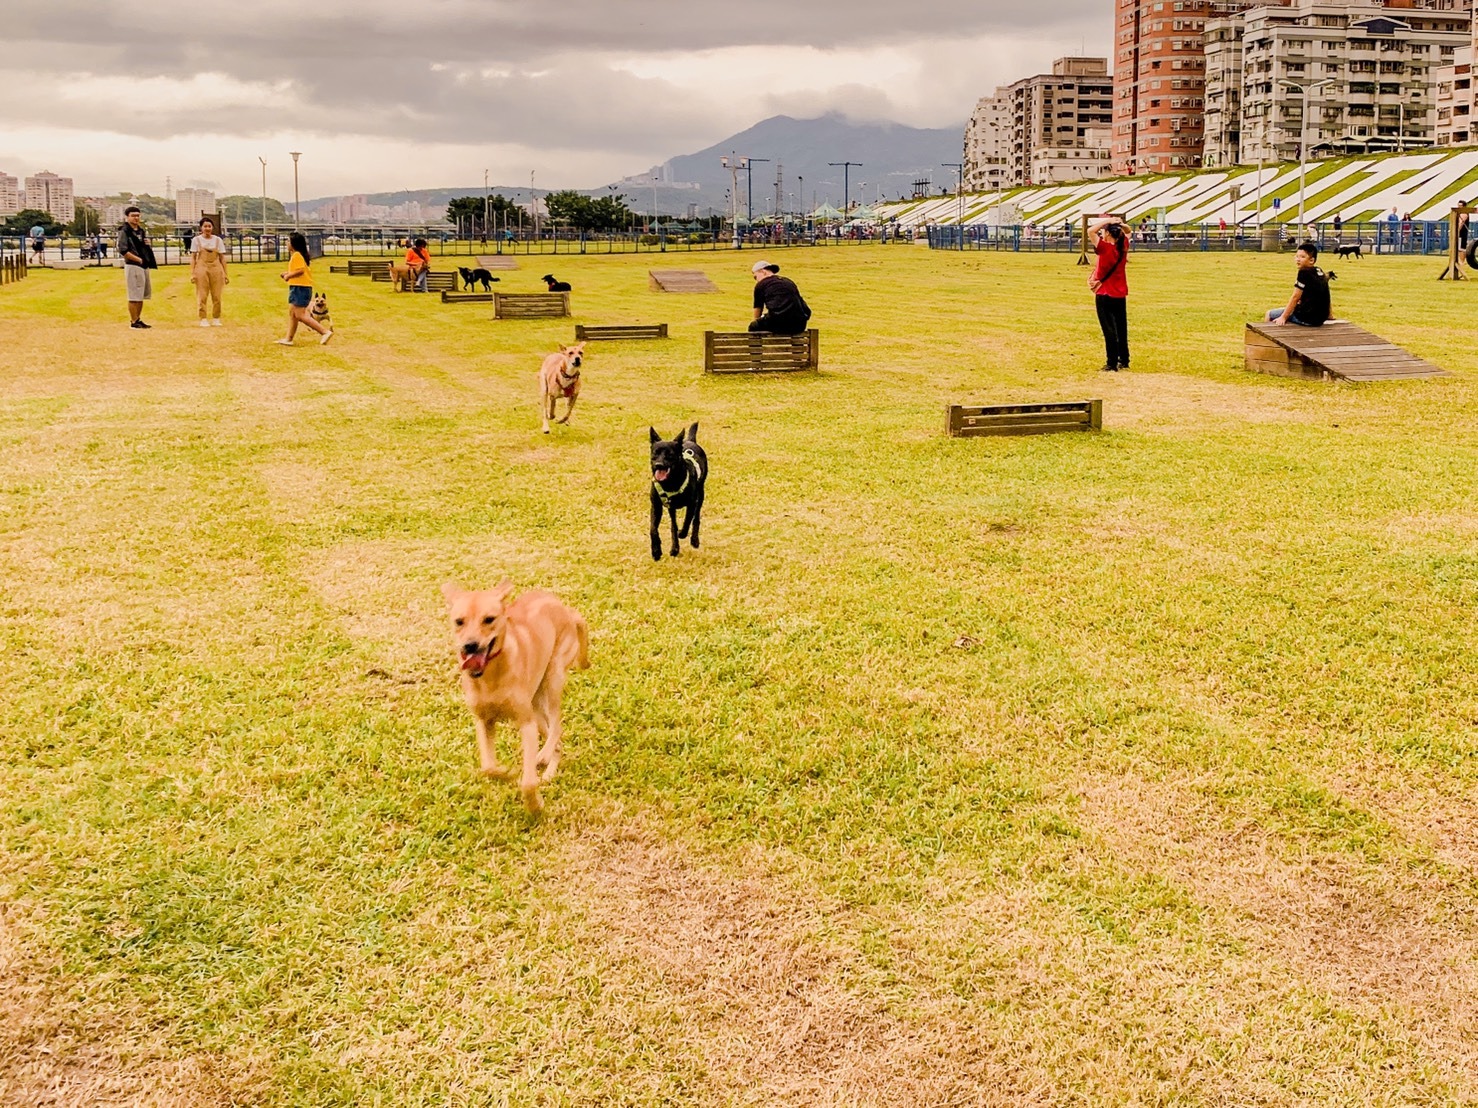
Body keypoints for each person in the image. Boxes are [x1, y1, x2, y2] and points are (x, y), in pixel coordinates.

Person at [1088, 217, 1129, 372]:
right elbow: (1128, 231)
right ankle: (1123, 359)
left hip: (1105, 293)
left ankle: (1111, 362)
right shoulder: (1122, 247)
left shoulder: (1105, 248)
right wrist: (1120, 224)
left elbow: (1090, 231)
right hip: (1120, 292)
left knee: (1109, 329)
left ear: (1107, 234)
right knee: (1121, 327)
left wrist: (1109, 221)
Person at [277, 231, 333, 346]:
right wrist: (288, 273)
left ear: (294, 243)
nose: (286, 243)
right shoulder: (297, 255)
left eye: (288, 241)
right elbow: (300, 270)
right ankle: (288, 339)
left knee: (300, 315)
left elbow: (300, 271)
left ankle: (324, 332)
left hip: (300, 288)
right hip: (298, 287)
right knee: (293, 313)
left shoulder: (297, 255)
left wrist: (288, 276)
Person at [1265, 241, 1331, 328]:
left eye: (1302, 257)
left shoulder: (1303, 272)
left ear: (1312, 260)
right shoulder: (1319, 271)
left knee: (1269, 314)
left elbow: (1295, 297)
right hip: (1320, 319)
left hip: (1306, 318)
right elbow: (1326, 294)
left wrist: (1283, 317)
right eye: (1297, 256)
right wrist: (1330, 315)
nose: (1298, 259)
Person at [117, 206, 157, 329]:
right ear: (127, 217)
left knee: (141, 294)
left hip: (143, 265)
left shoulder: (140, 231)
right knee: (134, 294)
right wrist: (138, 259)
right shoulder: (125, 231)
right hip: (133, 265)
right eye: (133, 216)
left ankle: (138, 319)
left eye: (137, 215)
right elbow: (123, 250)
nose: (136, 218)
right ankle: (133, 321)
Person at [748, 259, 810, 334]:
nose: (756, 280)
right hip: (799, 325)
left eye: (755, 277)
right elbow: (805, 308)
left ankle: (757, 346)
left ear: (763, 272)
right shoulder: (789, 282)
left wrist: (756, 322)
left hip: (777, 322)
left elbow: (758, 309)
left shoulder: (761, 285)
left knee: (753, 326)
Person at [189, 215, 229, 326]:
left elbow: (222, 258)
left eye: (209, 226)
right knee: (202, 294)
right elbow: (193, 257)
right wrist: (193, 273)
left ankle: (216, 317)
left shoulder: (218, 240)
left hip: (216, 268)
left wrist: (225, 274)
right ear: (201, 228)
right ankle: (203, 318)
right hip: (201, 267)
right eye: (205, 226)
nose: (207, 228)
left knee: (217, 294)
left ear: (212, 227)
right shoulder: (196, 240)